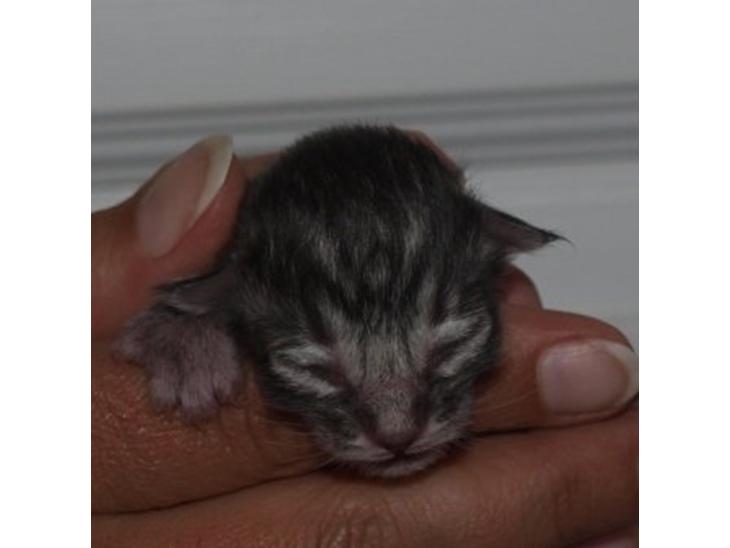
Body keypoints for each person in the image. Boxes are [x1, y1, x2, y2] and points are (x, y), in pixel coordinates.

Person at [91, 133, 638, 547]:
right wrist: (174, 324)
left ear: (495, 255)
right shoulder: (219, 290)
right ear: (224, 294)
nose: (397, 427)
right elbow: (170, 303)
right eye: (317, 366)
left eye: (448, 346)